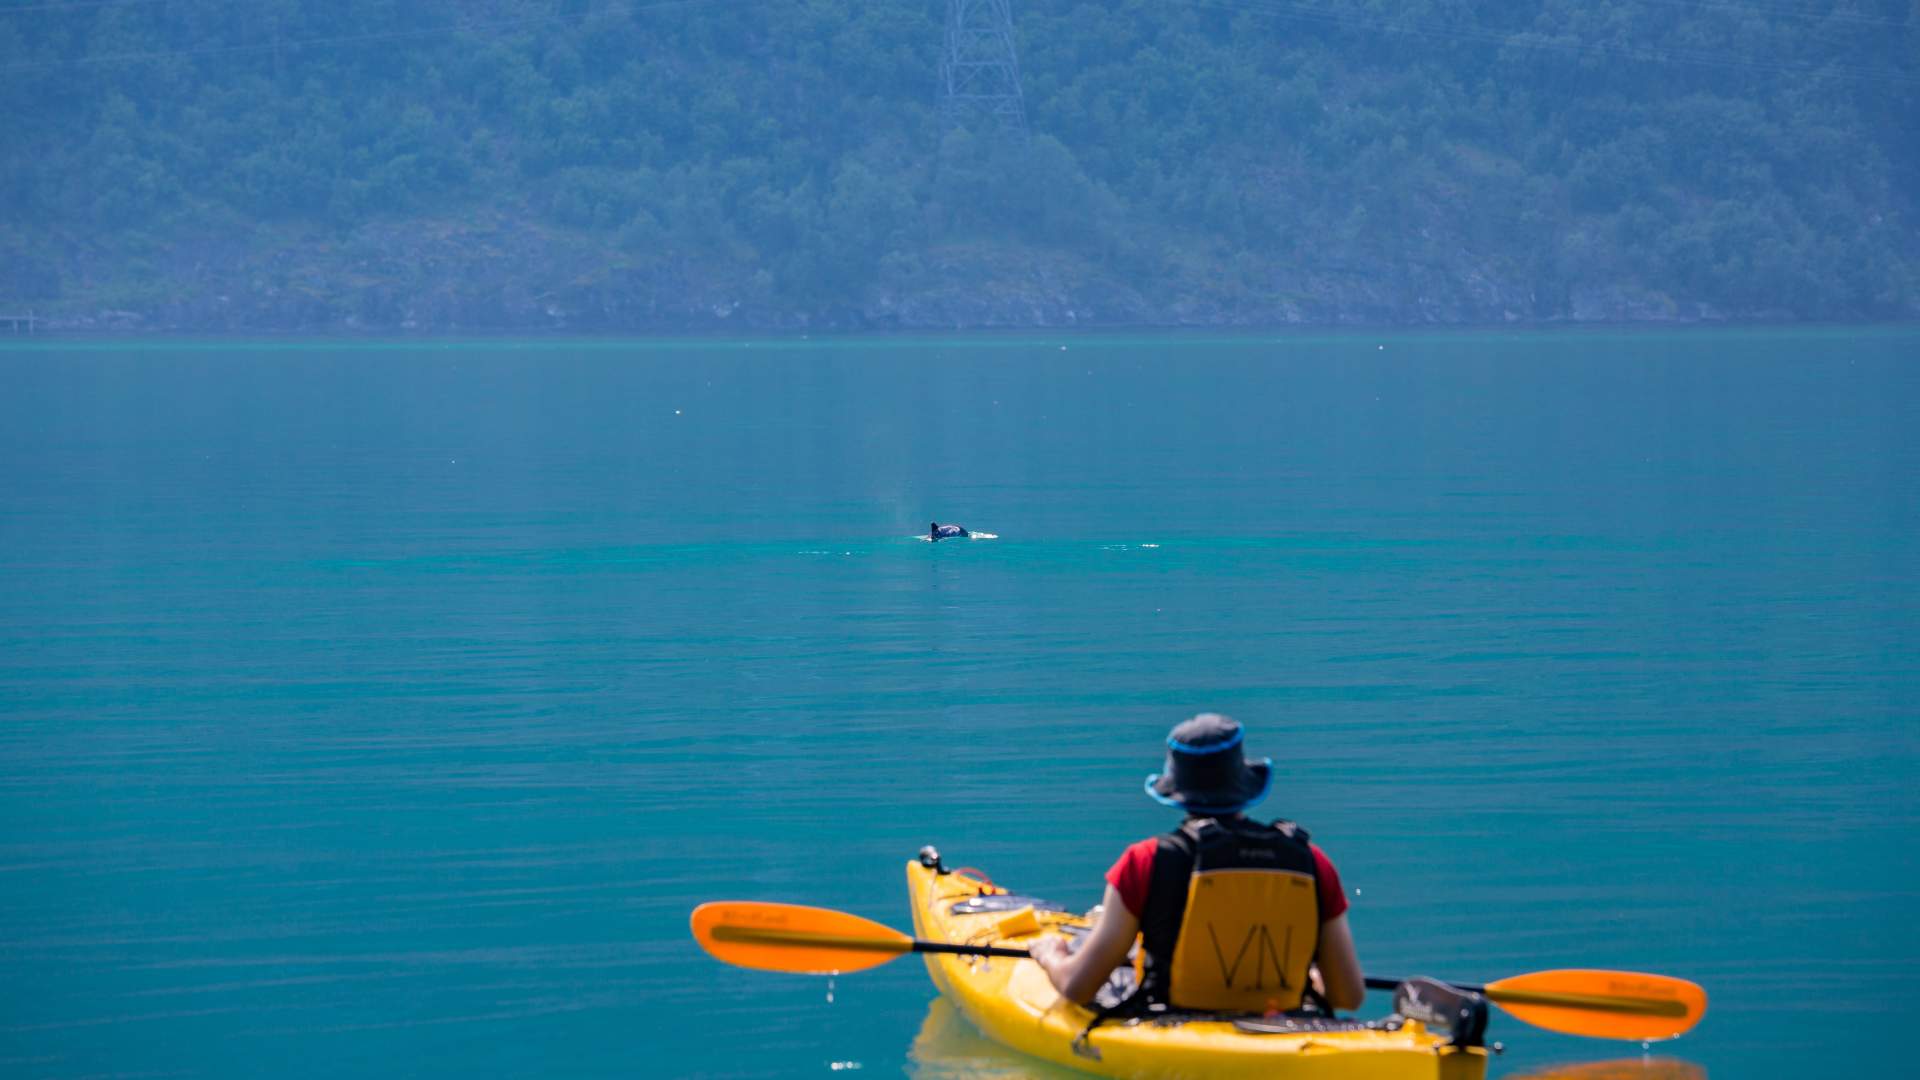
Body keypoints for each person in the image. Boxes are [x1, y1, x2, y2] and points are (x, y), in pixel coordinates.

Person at [1030, 713, 1365, 1015]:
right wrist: (1310, 978)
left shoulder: (1144, 861)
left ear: (1176, 789)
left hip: (1173, 1027)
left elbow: (1078, 986)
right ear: (1243, 784)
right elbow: (1347, 996)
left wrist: (1049, 954)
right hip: (1282, 1027)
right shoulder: (1311, 861)